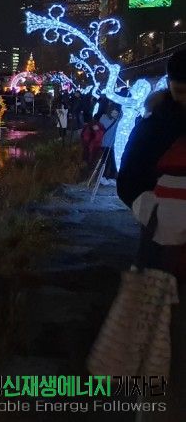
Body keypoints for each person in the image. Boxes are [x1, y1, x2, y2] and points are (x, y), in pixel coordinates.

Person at [116, 50, 186, 422]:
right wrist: (158, 212)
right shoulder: (155, 125)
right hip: (161, 249)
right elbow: (129, 179)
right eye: (180, 91)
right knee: (158, 337)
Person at [99, 108, 120, 185]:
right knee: (108, 161)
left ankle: (107, 176)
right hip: (108, 143)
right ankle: (106, 176)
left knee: (109, 161)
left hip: (108, 143)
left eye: (116, 113)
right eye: (114, 113)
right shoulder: (116, 120)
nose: (115, 114)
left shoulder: (103, 118)